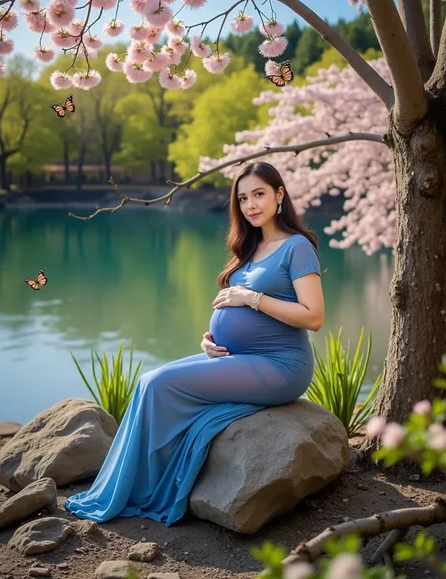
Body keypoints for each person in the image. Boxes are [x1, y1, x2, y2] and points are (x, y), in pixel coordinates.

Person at [64, 161, 325, 526]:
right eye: (244, 198)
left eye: (260, 194)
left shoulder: (296, 247)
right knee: (146, 382)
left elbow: (313, 317)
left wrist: (251, 299)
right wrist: (211, 341)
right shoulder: (250, 248)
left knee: (159, 385)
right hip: (241, 357)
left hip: (281, 365)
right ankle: (125, 483)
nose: (251, 205)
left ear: (280, 195)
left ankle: (138, 491)